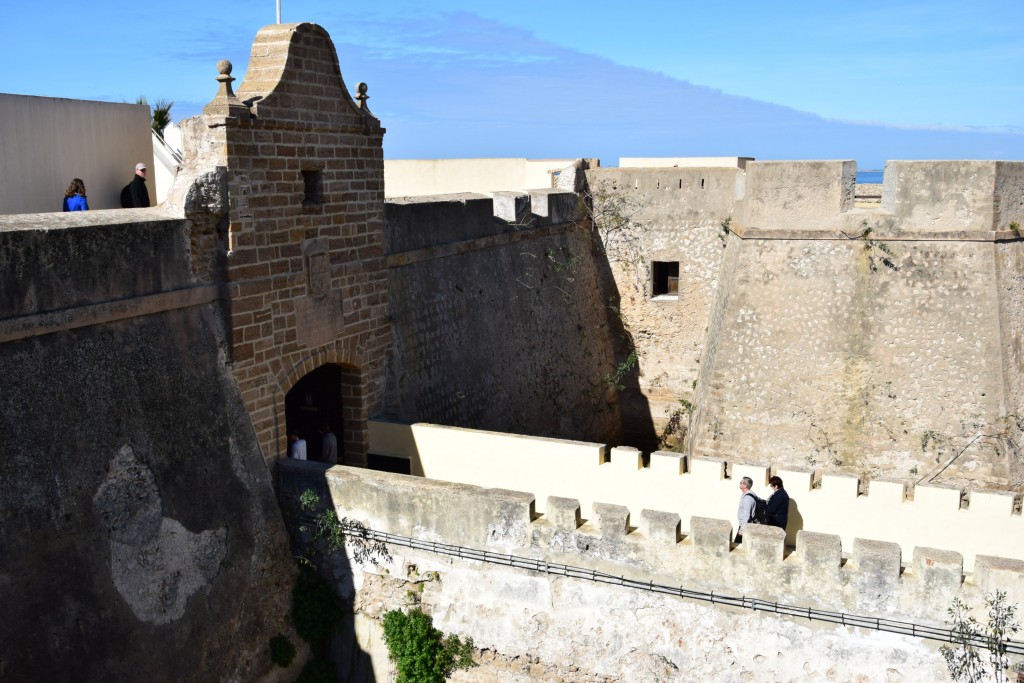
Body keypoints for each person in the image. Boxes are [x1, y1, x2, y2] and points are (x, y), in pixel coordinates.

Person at [735, 476, 756, 544]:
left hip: (745, 527)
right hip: (744, 525)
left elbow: (747, 515)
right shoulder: (747, 494)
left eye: (741, 482)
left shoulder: (748, 498)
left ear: (745, 485)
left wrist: (741, 530)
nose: (739, 483)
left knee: (738, 546)